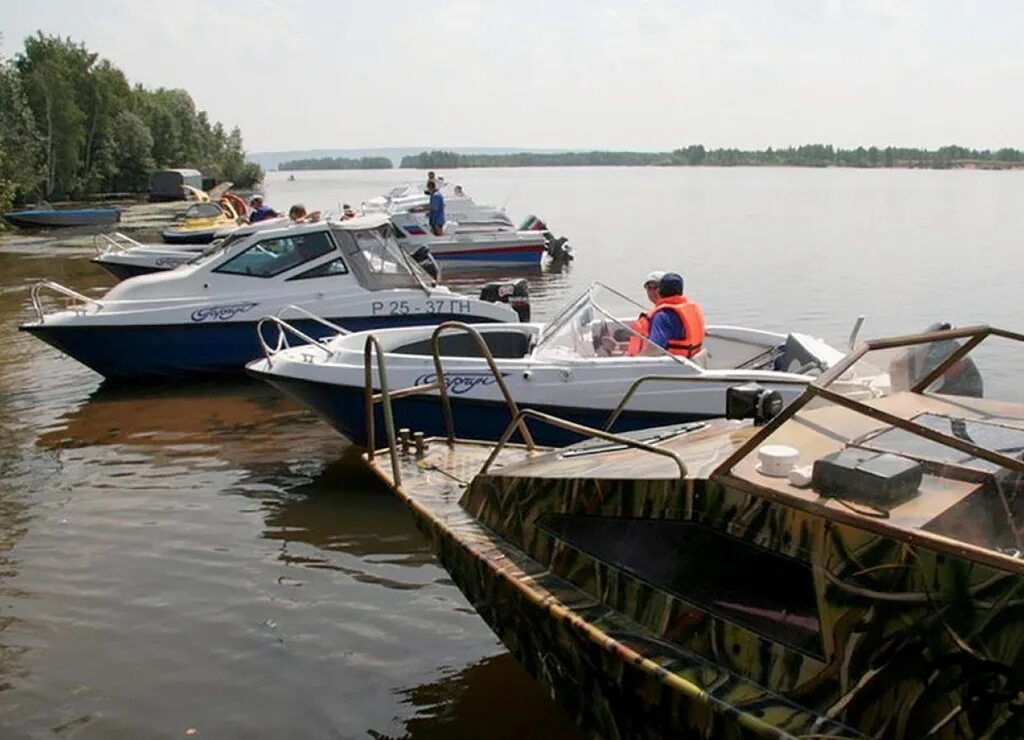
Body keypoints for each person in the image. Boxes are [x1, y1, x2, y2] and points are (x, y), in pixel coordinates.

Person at [644, 272, 706, 358]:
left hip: (674, 366)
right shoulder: (691, 309)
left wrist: (637, 358)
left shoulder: (662, 316)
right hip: (695, 359)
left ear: (659, 291)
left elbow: (655, 349)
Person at [623, 271, 664, 355]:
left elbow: (656, 347)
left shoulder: (664, 316)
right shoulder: (656, 311)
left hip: (647, 362)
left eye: (656, 287)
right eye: (649, 287)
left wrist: (638, 358)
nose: (652, 291)